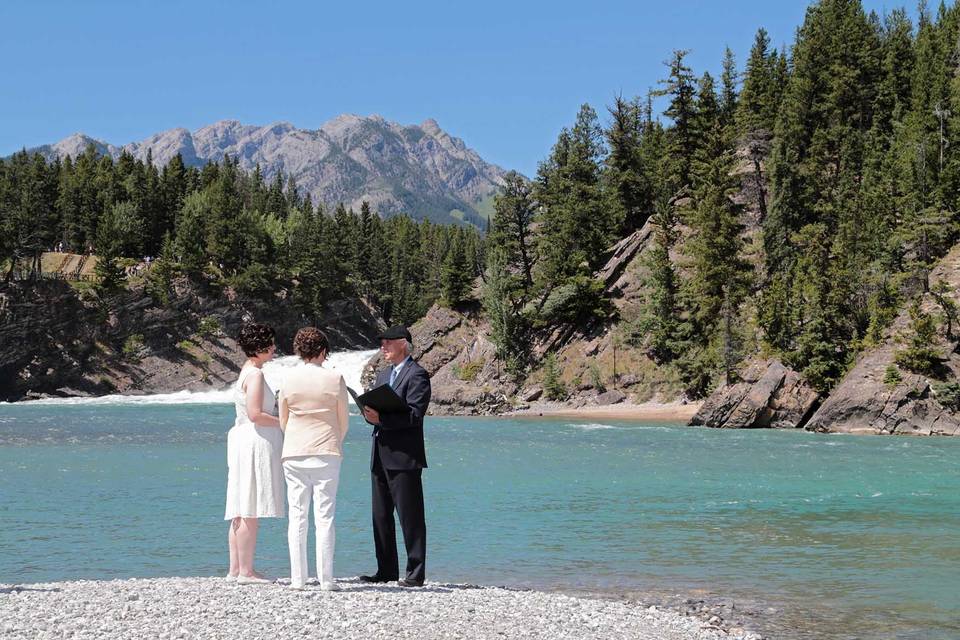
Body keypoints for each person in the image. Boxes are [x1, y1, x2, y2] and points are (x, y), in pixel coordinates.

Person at [360, 325, 431, 587]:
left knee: (410, 516)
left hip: (404, 456)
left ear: (403, 343)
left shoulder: (418, 375)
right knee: (380, 516)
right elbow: (378, 414)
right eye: (382, 344)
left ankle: (415, 573)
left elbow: (415, 415)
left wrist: (383, 419)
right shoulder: (382, 376)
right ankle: (386, 570)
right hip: (379, 453)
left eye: (387, 343)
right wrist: (369, 415)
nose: (383, 348)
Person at [278, 327, 349, 591]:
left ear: (299, 350)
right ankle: (327, 579)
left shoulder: (287, 378)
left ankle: (298, 579)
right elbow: (343, 419)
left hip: (294, 450)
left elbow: (283, 419)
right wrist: (334, 439)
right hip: (326, 449)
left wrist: (295, 437)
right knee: (325, 516)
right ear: (323, 351)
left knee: (297, 515)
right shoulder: (336, 378)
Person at [224, 323, 284, 584]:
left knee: (240, 506)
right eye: (270, 344)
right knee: (249, 505)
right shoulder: (256, 375)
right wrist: (284, 420)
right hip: (254, 441)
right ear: (259, 347)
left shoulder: (247, 370)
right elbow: (255, 414)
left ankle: (236, 569)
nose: (273, 348)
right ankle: (246, 571)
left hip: (242, 439)